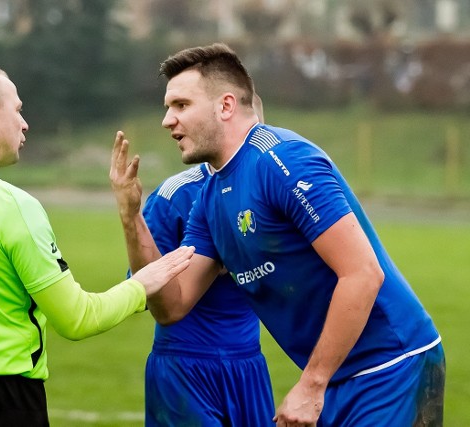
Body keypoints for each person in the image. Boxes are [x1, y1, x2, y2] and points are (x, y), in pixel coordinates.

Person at [110, 43, 445, 426]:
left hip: (391, 365)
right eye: (168, 107)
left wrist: (311, 385)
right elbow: (172, 306)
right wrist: (130, 215)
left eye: (181, 105)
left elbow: (364, 273)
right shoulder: (209, 197)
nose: (167, 120)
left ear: (225, 106)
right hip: (339, 375)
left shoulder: (283, 160)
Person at [0, 65, 194, 426]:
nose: (25, 124)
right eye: (18, 109)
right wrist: (142, 284)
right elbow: (76, 319)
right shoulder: (11, 204)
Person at [141, 92, 274, 426]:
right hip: (185, 364)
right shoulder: (174, 196)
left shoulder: (272, 190)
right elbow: (142, 287)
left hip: (249, 363)